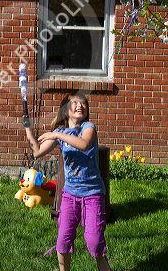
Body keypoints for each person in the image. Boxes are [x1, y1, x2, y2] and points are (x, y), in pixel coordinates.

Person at [25, 92, 112, 271]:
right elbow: (37, 152)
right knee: (63, 241)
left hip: (92, 194)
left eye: (83, 103)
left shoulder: (88, 127)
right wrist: (28, 128)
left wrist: (56, 134)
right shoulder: (59, 133)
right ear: (66, 110)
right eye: (75, 103)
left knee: (95, 243)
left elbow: (83, 144)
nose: (80, 105)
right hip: (70, 195)